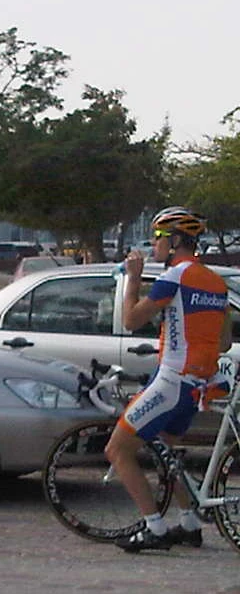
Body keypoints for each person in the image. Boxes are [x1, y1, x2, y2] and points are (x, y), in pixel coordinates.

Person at [107, 207, 231, 552]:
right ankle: (189, 524)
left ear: (175, 241)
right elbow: (224, 342)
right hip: (196, 386)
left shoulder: (175, 276)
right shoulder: (215, 281)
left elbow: (131, 321)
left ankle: (155, 528)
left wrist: (133, 279)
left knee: (117, 449)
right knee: (166, 452)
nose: (153, 244)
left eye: (158, 238)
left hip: (172, 381)